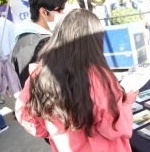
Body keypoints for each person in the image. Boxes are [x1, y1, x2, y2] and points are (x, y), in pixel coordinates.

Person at [15, 9, 139, 152]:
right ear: (93, 41)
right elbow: (116, 128)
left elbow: (26, 117)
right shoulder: (99, 77)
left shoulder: (38, 74)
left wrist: (52, 129)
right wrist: (127, 99)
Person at [12, 0, 68, 88]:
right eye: (59, 10)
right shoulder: (28, 46)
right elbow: (31, 90)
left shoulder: (49, 35)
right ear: (43, 12)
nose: (63, 14)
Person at [0, 6, 21, 97]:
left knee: (15, 84)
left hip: (8, 58)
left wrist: (4, 60)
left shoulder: (2, 25)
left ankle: (22, 106)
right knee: (16, 83)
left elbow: (3, 45)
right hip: (10, 56)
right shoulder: (4, 23)